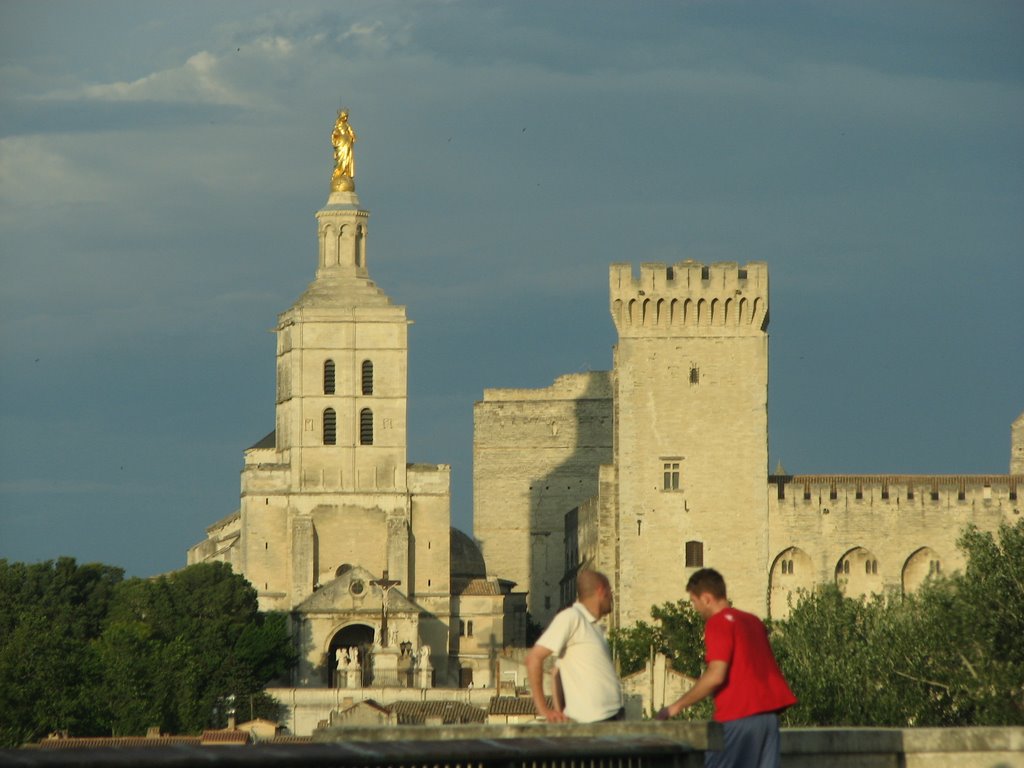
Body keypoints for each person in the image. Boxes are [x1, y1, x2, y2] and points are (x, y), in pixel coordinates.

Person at [656, 568, 796, 768]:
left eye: (694, 602)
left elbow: (716, 675)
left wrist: (675, 707)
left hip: (738, 716)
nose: (695, 608)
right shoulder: (753, 621)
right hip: (768, 719)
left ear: (706, 598)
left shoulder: (718, 623)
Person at [526, 569, 624, 722]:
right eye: (610, 591)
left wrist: (560, 712)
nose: (612, 597)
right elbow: (534, 658)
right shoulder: (571, 617)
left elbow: (557, 673)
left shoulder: (592, 626)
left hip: (610, 718)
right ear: (601, 590)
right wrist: (544, 710)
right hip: (593, 722)